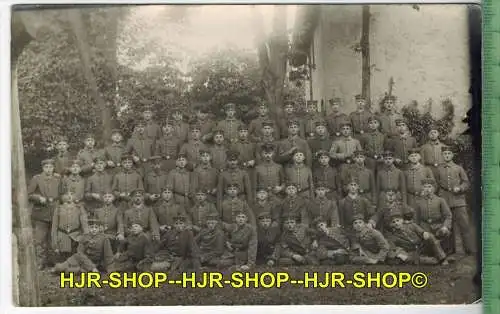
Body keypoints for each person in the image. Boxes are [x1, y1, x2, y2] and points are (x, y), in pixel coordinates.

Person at [435, 147, 476, 257]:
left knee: (464, 225)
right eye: (445, 154)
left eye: (449, 153)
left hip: (459, 201)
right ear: (442, 156)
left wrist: (460, 188)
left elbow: (466, 182)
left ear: (452, 155)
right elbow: (436, 184)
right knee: (448, 226)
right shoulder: (438, 169)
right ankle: (449, 249)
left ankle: (469, 249)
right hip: (445, 200)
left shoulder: (458, 168)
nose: (447, 155)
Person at [28, 158, 61, 269]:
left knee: (53, 238)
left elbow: (62, 193)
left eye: (50, 167)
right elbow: (29, 194)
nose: (48, 169)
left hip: (54, 212)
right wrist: (38, 198)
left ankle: (52, 261)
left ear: (53, 168)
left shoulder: (58, 178)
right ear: (43, 168)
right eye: (46, 167)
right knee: (40, 239)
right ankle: (40, 262)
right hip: (41, 213)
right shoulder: (36, 179)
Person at [413, 178, 453, 254]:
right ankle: (434, 253)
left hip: (438, 227)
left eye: (429, 187)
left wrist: (445, 226)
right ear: (422, 188)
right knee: (425, 246)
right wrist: (421, 232)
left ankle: (445, 252)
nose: (427, 189)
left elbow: (448, 216)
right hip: (424, 228)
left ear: (433, 188)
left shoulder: (440, 200)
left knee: (446, 233)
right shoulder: (418, 202)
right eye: (425, 187)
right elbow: (416, 220)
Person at [51, 191, 89, 261]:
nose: (69, 196)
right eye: (66, 194)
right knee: (63, 260)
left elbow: (85, 225)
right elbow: (54, 227)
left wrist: (84, 238)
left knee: (75, 258)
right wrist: (55, 245)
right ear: (62, 196)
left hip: (75, 237)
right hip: (62, 238)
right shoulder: (58, 209)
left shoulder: (79, 208)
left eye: (72, 194)